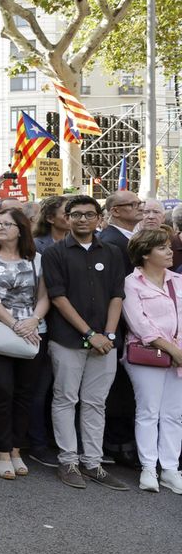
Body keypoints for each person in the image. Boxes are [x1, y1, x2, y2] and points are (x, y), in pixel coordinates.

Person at [42, 195, 129, 491]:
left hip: (106, 341)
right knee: (66, 399)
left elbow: (118, 295)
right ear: (67, 217)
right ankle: (68, 461)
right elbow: (58, 297)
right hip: (67, 340)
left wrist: (108, 334)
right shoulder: (54, 253)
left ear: (98, 218)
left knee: (95, 403)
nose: (82, 219)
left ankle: (93, 463)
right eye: (76, 214)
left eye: (88, 214)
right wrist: (90, 334)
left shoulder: (114, 252)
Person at [0, 208, 49, 479]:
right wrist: (14, 323)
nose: (0, 227)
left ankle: (17, 448)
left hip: (33, 332)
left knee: (24, 394)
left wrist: (33, 320)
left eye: (7, 224)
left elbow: (45, 296)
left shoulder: (37, 259)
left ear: (21, 229)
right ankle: (3, 450)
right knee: (1, 391)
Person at [121, 228, 182, 493]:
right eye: (162, 248)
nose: (170, 251)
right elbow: (140, 325)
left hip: (179, 354)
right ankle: (148, 467)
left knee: (174, 414)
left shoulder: (177, 281)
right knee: (148, 411)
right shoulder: (131, 283)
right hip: (147, 355)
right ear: (145, 254)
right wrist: (173, 350)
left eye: (169, 247)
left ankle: (170, 469)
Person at [99, 190, 143, 469]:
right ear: (115, 210)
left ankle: (122, 441)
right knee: (117, 389)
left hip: (130, 324)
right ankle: (117, 443)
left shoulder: (127, 239)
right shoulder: (112, 242)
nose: (139, 208)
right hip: (119, 324)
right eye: (133, 204)